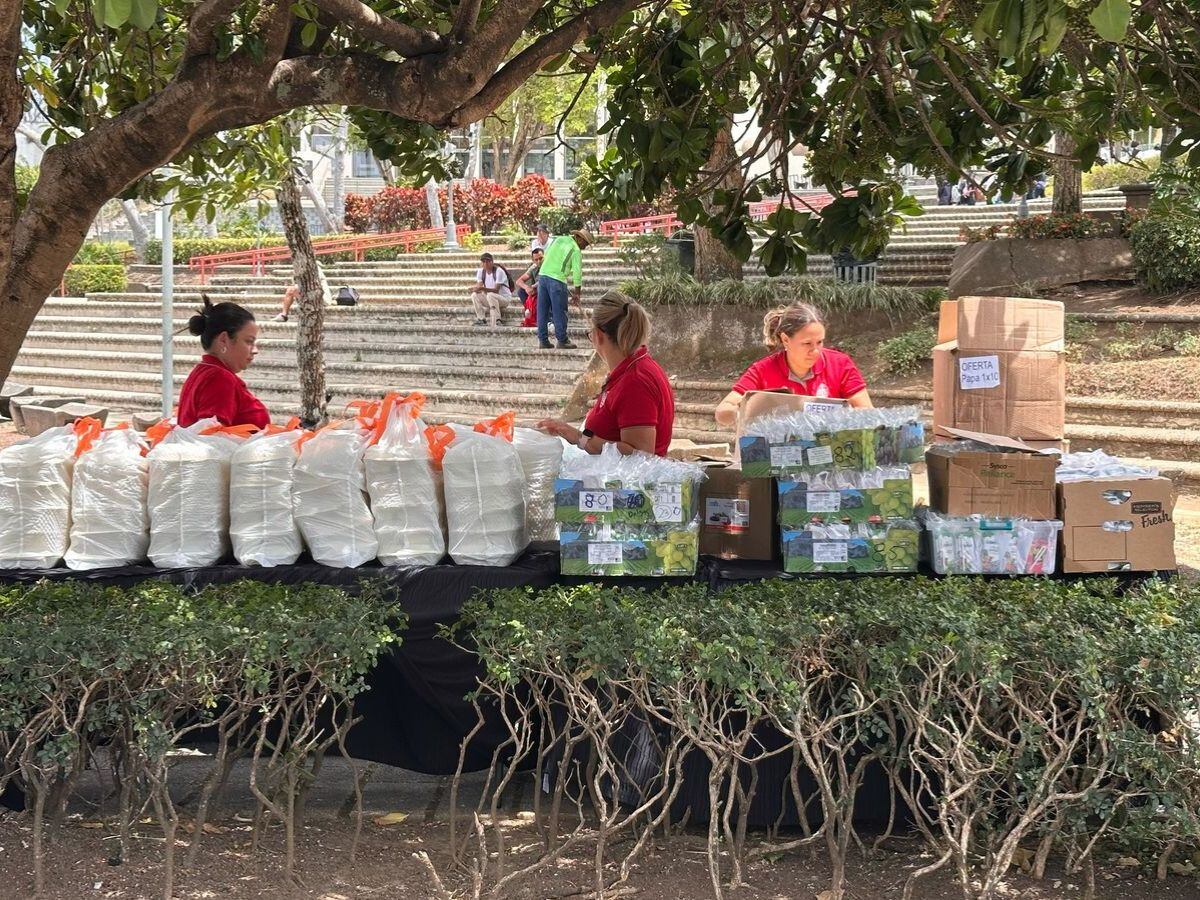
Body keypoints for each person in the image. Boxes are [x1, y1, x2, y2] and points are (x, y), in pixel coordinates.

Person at [538, 292, 674, 456]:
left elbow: (641, 455)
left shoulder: (635, 381)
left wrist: (578, 437)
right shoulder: (630, 369)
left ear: (599, 335)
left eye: (590, 334)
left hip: (625, 481)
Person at [713, 302, 871, 427]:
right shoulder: (762, 370)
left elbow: (866, 412)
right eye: (807, 343)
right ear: (785, 340)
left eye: (820, 342)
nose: (815, 351)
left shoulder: (840, 364)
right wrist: (743, 412)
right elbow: (722, 412)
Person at [177, 296, 269, 429]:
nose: (255, 350)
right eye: (249, 341)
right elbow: (212, 438)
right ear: (224, 339)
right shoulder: (219, 378)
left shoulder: (205, 371)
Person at [537, 228, 592, 350]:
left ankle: (543, 340)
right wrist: (577, 293)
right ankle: (562, 340)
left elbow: (547, 255)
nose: (585, 247)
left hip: (543, 275)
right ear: (579, 238)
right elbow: (577, 273)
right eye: (585, 243)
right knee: (559, 311)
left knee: (542, 310)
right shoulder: (576, 250)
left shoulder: (559, 239)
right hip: (557, 279)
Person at [469, 252, 512, 327]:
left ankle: (497, 319)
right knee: (474, 295)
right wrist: (475, 289)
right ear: (481, 263)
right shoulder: (480, 272)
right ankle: (481, 319)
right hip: (490, 299)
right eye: (483, 262)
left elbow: (496, 290)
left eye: (488, 261)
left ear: (492, 262)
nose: (486, 264)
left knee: (491, 295)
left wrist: (482, 288)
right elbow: (479, 286)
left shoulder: (499, 271)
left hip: (504, 299)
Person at [516, 247, 544, 328]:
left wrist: (533, 287)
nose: (539, 261)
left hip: (546, 290)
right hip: (535, 291)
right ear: (533, 260)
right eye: (536, 259)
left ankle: (541, 318)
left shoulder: (548, 266)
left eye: (541, 258)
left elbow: (543, 281)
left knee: (541, 289)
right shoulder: (533, 267)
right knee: (521, 291)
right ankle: (530, 313)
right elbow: (518, 281)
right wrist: (526, 288)